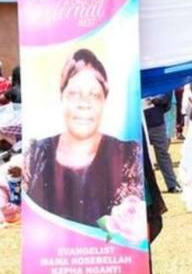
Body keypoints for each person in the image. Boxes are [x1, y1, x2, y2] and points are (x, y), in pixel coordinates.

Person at [24, 49, 143, 228]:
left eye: (94, 95)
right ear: (61, 97)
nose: (84, 104)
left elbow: (145, 222)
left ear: (105, 101)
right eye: (74, 94)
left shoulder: (128, 155)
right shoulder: (35, 155)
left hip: (111, 255)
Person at [143, 93, 181, 193]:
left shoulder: (159, 81)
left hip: (156, 122)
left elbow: (166, 98)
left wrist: (153, 100)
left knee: (163, 154)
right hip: (137, 122)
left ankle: (172, 185)